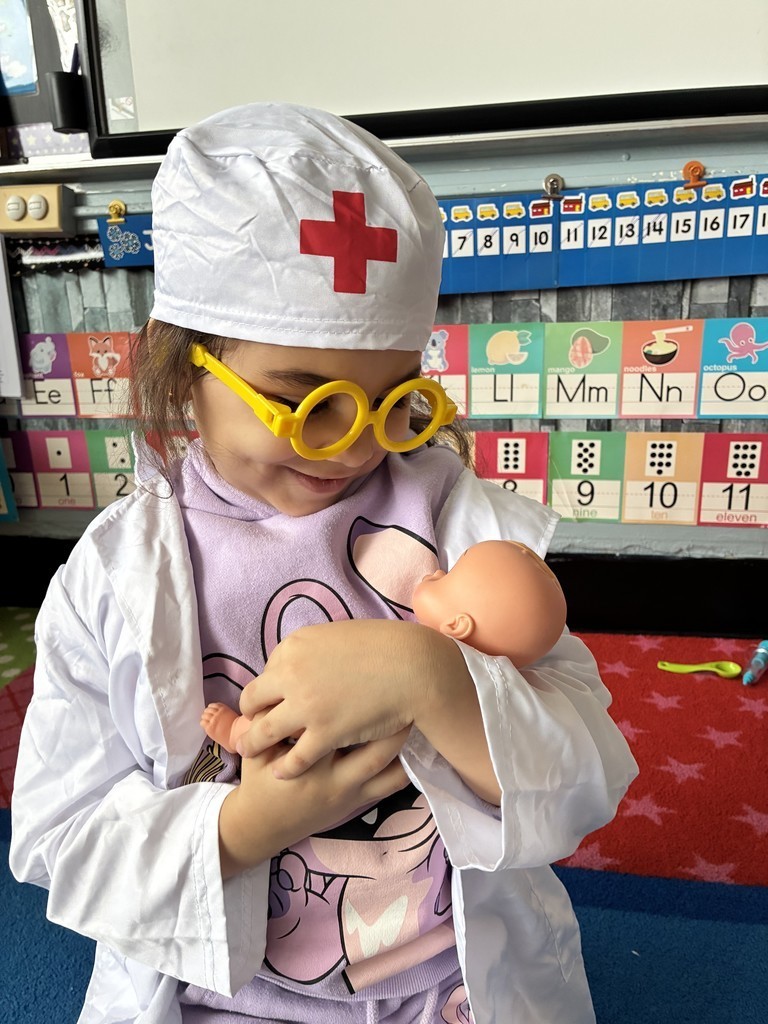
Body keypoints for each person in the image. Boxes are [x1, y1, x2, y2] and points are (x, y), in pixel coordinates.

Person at [9, 102, 638, 1024]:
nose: (351, 447)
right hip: (223, 1000)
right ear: (182, 369)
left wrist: (433, 678)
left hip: (450, 991)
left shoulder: (454, 527)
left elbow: (587, 777)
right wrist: (249, 824)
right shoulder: (113, 576)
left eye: (394, 403)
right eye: (304, 402)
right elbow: (58, 840)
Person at [203, 539, 569, 755]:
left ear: (458, 626)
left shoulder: (440, 665)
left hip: (342, 716)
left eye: (449, 576)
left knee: (287, 720)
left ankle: (238, 734)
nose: (436, 572)